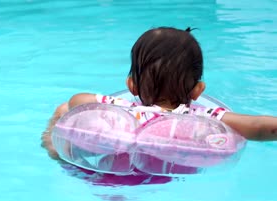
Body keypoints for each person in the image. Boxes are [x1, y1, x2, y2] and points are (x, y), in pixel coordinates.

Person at [42, 26, 277, 161]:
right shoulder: (204, 117)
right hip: (168, 169)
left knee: (64, 109)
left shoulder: (123, 108)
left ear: (131, 85)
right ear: (198, 91)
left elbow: (78, 101)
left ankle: (55, 152)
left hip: (112, 167)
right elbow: (257, 125)